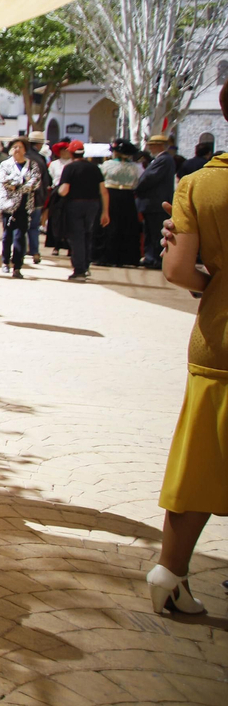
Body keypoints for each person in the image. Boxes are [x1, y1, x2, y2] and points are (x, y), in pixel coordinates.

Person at [151, 80, 228, 616]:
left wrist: (216, 285)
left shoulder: (200, 185)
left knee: (199, 458)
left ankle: (170, 572)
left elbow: (177, 270)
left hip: (218, 339)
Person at [57, 140, 107, 282]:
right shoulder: (95, 168)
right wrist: (105, 212)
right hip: (93, 205)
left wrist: (57, 192)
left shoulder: (69, 168)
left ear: (71, 153)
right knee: (87, 235)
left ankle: (79, 270)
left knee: (77, 237)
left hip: (75, 205)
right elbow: (104, 191)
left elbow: (64, 190)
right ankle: (85, 266)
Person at [0, 139, 40, 279]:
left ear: (25, 149)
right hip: (8, 205)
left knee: (20, 236)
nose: (17, 149)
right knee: (7, 235)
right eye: (15, 147)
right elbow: (4, 180)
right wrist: (20, 184)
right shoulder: (5, 164)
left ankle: (17, 266)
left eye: (20, 147)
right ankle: (5, 261)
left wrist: (19, 186)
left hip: (24, 205)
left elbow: (35, 181)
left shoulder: (32, 165)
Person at [137, 132, 178, 269]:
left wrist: (138, 186)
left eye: (152, 145)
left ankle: (155, 259)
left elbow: (149, 178)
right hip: (152, 203)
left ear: (160, 146)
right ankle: (150, 257)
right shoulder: (161, 159)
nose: (150, 148)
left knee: (155, 232)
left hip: (156, 202)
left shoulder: (164, 160)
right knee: (149, 232)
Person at [99, 141, 143, 266]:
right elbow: (138, 182)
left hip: (111, 194)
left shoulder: (107, 165)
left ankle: (107, 256)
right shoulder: (136, 167)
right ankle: (126, 257)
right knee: (127, 225)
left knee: (110, 225)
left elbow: (101, 180)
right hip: (128, 196)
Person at [24, 131, 51, 264]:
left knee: (20, 226)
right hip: (37, 197)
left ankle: (20, 250)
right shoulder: (41, 159)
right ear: (39, 144)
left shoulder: (22, 157)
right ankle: (34, 251)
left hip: (22, 197)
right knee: (34, 227)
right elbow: (46, 181)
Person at [45, 143, 70, 256]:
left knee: (69, 219)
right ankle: (56, 244)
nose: (65, 152)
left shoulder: (73, 163)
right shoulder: (53, 164)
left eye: (67, 149)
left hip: (70, 192)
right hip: (56, 192)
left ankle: (69, 246)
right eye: (62, 150)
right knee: (56, 219)